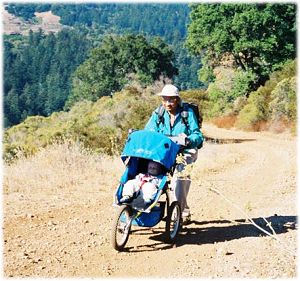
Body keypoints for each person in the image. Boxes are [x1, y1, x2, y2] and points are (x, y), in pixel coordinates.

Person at [144, 84, 203, 225]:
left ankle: (179, 214)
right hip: (163, 152)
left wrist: (189, 140)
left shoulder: (187, 113)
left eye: (171, 100)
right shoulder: (158, 114)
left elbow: (198, 135)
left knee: (179, 180)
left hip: (184, 152)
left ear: (177, 99)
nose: (167, 103)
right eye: (164, 99)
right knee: (150, 176)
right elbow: (149, 132)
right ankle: (147, 208)